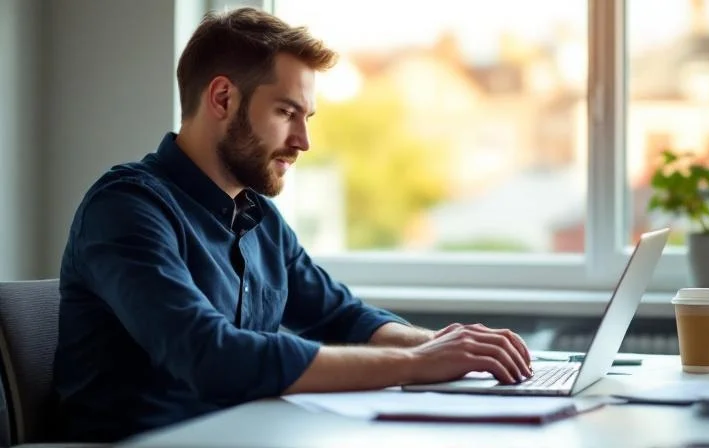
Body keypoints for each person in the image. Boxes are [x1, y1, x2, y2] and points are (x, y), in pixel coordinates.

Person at [52, 6, 533, 443]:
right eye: (286, 112)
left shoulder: (259, 218)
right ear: (222, 98)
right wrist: (414, 363)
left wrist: (449, 348)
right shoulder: (126, 208)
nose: (303, 141)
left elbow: (341, 317)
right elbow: (212, 355)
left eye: (307, 117)